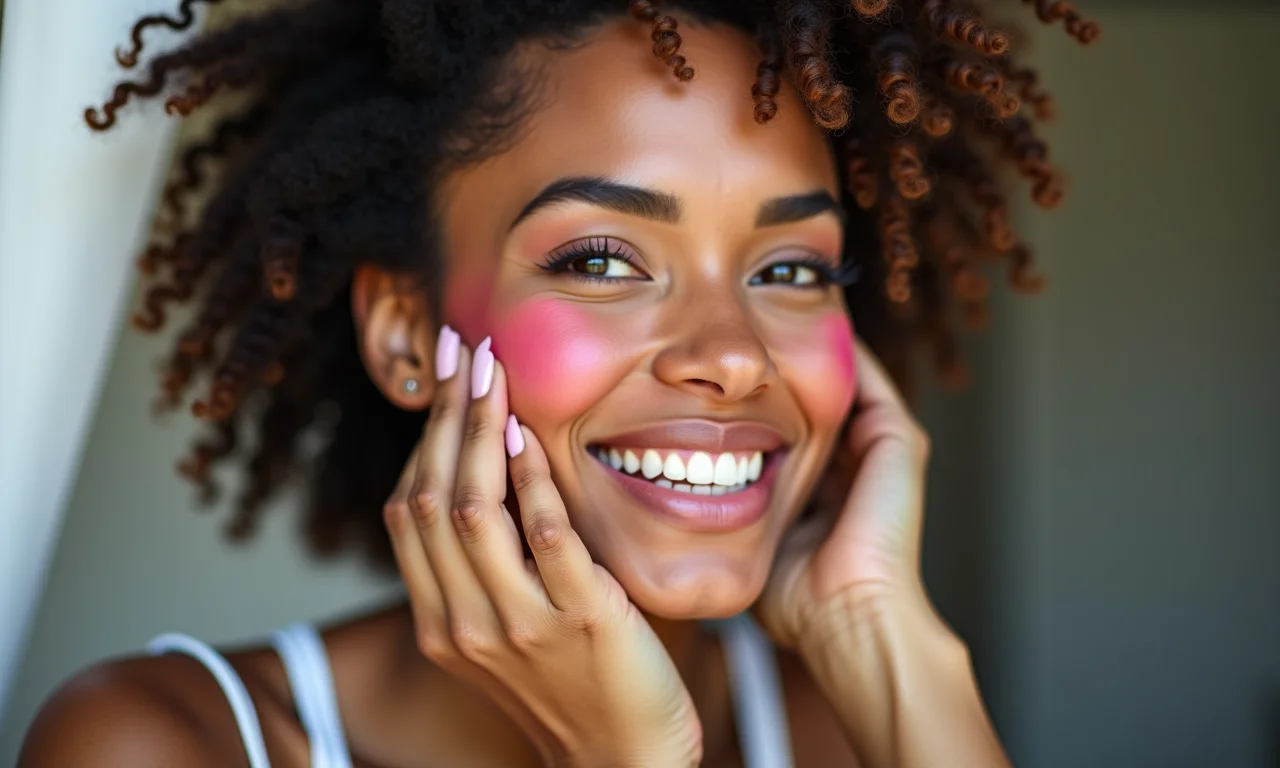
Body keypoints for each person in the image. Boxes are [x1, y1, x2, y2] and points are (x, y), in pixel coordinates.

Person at [19, 0, 1097, 765]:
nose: (730, 353)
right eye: (601, 260)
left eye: (789, 270)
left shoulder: (844, 730)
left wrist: (879, 635)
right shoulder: (160, 744)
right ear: (407, 332)